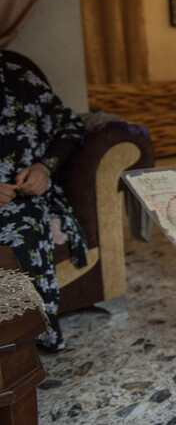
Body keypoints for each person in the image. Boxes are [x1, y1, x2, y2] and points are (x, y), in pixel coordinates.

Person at [0, 50, 88, 352]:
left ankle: (24, 348)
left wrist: (44, 168)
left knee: (19, 236)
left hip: (23, 201)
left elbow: (72, 127)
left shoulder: (19, 79)